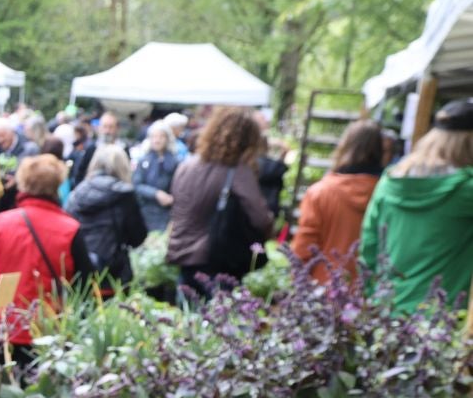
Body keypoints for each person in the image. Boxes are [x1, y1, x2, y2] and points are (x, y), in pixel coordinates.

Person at [0, 154, 94, 355]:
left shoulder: (1, 222)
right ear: (57, 185)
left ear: (24, 183)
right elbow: (86, 282)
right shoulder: (70, 229)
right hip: (44, 327)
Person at [361, 99, 473, 312]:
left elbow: (369, 245)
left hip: (387, 311)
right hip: (438, 324)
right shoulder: (466, 190)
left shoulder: (390, 181)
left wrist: (371, 297)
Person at [165, 107, 272, 295]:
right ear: (247, 141)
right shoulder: (238, 171)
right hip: (217, 262)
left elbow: (178, 209)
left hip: (183, 257)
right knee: (220, 319)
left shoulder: (187, 165)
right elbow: (261, 219)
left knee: (188, 320)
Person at [291, 119, 385, 282]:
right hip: (371, 292)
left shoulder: (320, 192)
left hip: (325, 289)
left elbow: (302, 249)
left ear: (344, 146)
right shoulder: (386, 195)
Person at [66, 144, 147, 286]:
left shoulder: (77, 193)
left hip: (80, 269)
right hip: (113, 271)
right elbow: (137, 237)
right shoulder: (125, 194)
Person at [131, 121, 178, 232]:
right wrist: (156, 194)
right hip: (146, 210)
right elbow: (137, 185)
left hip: (167, 211)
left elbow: (180, 185)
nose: (157, 140)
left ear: (167, 139)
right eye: (154, 136)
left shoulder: (175, 161)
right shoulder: (144, 160)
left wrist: (172, 198)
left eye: (161, 136)